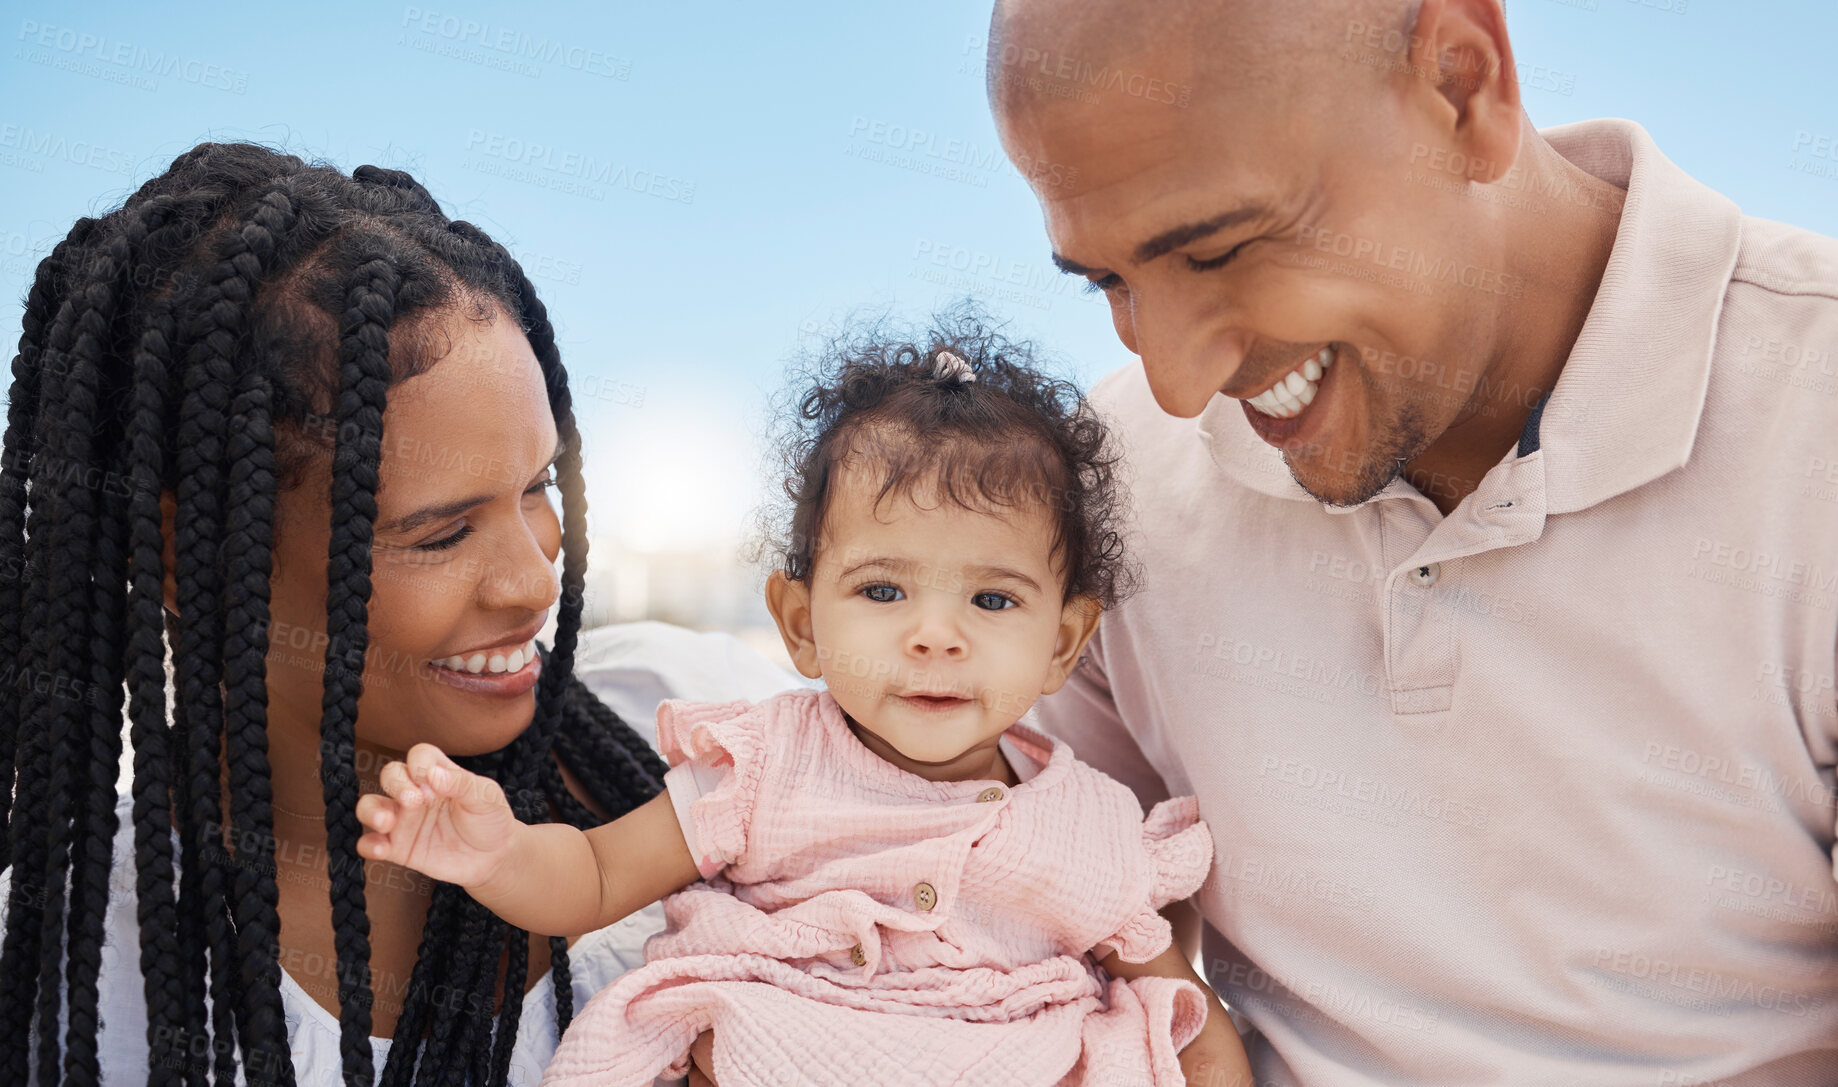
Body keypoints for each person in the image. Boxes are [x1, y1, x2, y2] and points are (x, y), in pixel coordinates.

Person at [989, 0, 1838, 1082]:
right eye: (1109, 282)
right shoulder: (1112, 472)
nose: (1176, 378)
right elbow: (1014, 902)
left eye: (1217, 250)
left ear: (1458, 83)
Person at [0, 141, 797, 1087]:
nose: (535, 584)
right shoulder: (78, 984)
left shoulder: (712, 728)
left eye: (537, 484)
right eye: (440, 533)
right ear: (185, 556)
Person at [353, 319, 1256, 1087]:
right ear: (799, 624)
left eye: (992, 600)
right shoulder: (765, 766)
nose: (935, 637)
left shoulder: (1090, 825)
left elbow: (1183, 1015)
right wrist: (497, 849)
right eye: (882, 591)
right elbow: (592, 878)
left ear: (1064, 641)